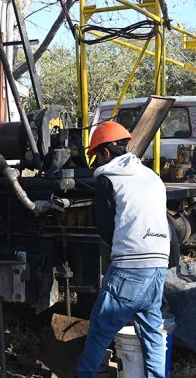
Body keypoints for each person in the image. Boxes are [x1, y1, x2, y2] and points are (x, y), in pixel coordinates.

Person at [77, 121, 170, 378]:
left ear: (106, 152)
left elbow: (106, 228)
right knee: (152, 333)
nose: (96, 163)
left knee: (100, 330)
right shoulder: (152, 176)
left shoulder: (108, 179)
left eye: (97, 156)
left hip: (130, 268)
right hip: (158, 266)